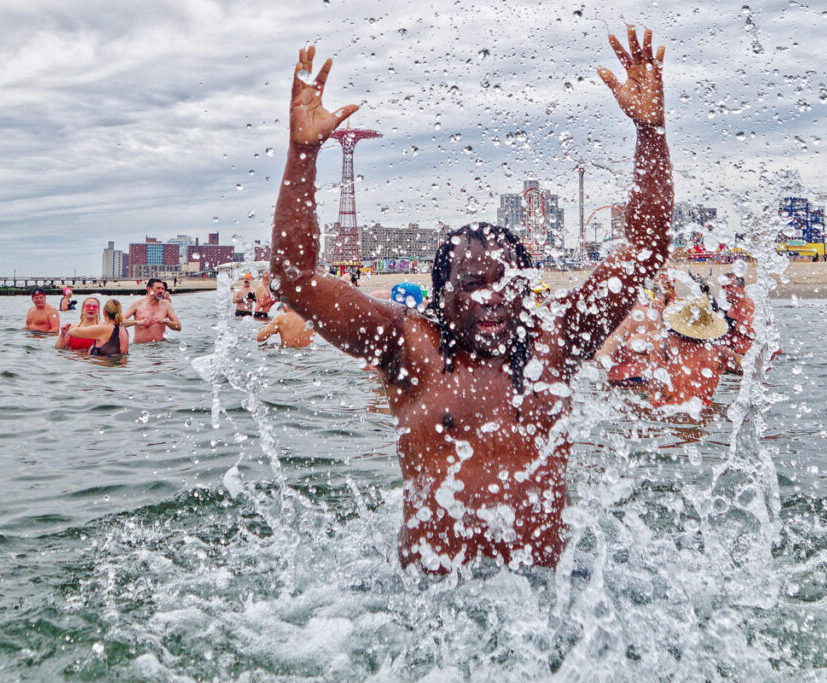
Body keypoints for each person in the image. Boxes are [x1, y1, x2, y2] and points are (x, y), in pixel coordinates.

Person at [269, 26, 673, 573]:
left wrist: (650, 132)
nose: (493, 298)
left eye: (506, 281)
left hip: (546, 602)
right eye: (472, 284)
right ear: (441, 294)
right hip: (431, 608)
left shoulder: (556, 339)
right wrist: (303, 153)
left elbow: (646, 251)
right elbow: (293, 278)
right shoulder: (407, 346)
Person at [60, 298, 130, 357]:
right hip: (120, 369)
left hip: (103, 370)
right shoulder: (124, 330)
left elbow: (75, 332)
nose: (91, 308)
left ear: (104, 312)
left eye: (94, 306)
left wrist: (67, 330)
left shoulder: (103, 329)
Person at [123, 278, 182, 343]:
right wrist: (137, 322)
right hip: (141, 348)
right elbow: (119, 322)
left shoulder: (166, 305)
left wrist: (165, 322)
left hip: (160, 348)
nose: (161, 291)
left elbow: (178, 327)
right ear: (149, 289)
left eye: (162, 289)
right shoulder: (137, 304)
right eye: (158, 288)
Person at [716, 274, 754, 374]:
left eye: (729, 286)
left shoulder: (749, 306)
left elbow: (752, 333)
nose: (725, 290)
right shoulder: (733, 307)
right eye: (723, 287)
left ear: (741, 288)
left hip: (748, 361)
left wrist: (732, 322)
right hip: (736, 358)